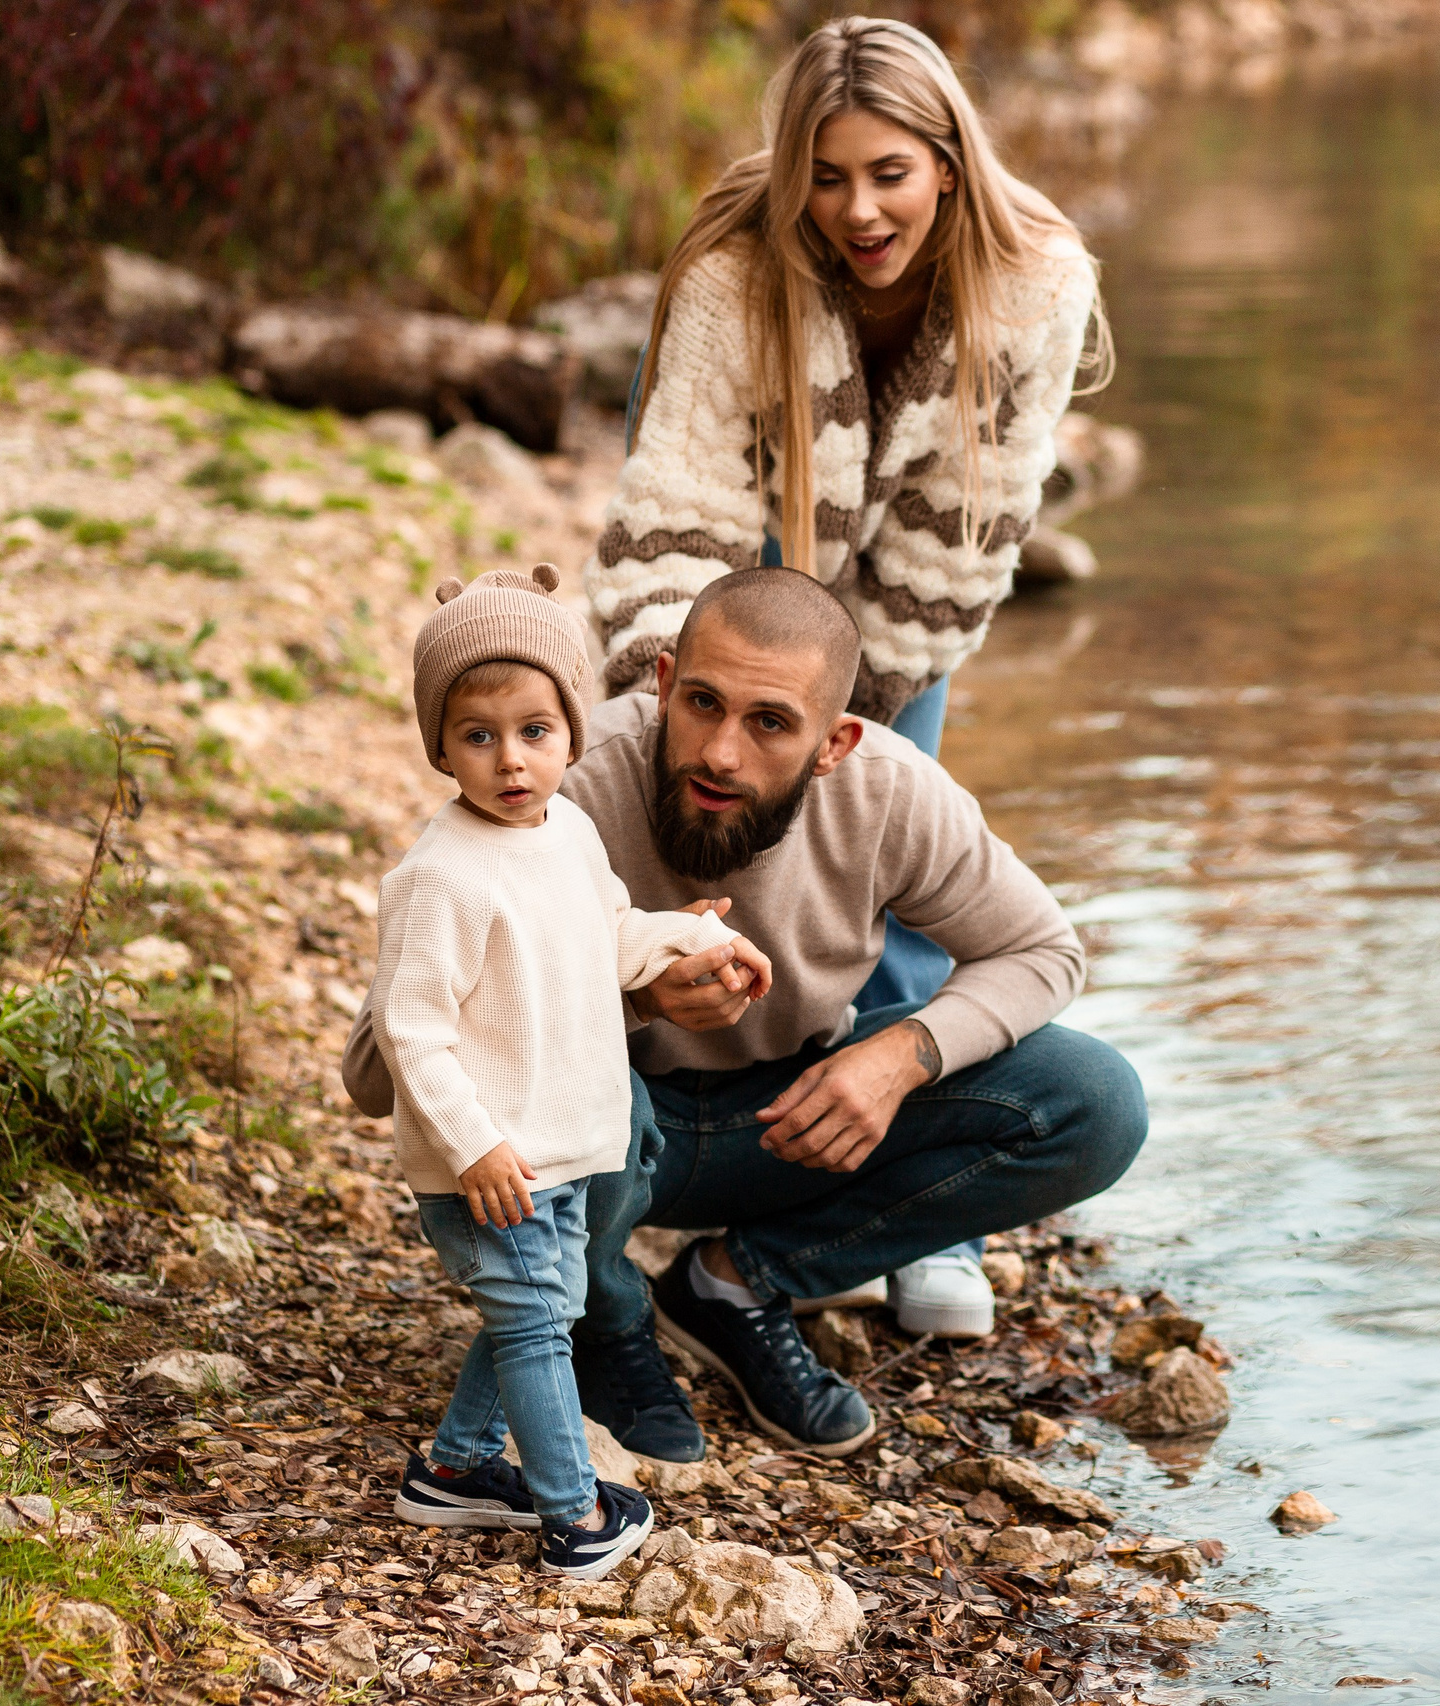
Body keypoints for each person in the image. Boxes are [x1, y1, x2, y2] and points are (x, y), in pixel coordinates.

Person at [586, 16, 1112, 1339]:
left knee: (904, 841)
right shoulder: (732, 275)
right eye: (826, 175)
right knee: (701, 787)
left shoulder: (1034, 280)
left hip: (905, 577)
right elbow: (683, 508)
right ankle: (659, 1115)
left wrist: (853, 733)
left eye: (888, 171)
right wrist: (681, 694)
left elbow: (966, 533)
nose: (857, 208)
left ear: (947, 159)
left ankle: (913, 1206)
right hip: (748, 510)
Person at [556, 568, 1148, 1462]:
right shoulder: (568, 781)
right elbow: (431, 1022)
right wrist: (630, 998)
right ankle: (607, 1319)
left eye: (769, 723)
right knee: (578, 1087)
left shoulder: (889, 791)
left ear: (833, 743)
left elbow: (1046, 952)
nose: (721, 753)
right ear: (665, 683)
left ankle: (739, 1285)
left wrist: (904, 1053)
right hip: (613, 1140)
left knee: (1094, 1100)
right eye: (704, 704)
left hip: (790, 1123)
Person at [367, 566, 768, 1578]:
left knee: (534, 1310)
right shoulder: (443, 875)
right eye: (478, 735)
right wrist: (476, 1146)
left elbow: (611, 933)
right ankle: (572, 1515)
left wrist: (688, 937)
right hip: (497, 1164)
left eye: (535, 731)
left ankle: (455, 1472)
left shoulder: (571, 831)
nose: (510, 760)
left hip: (564, 1146)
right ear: (441, 744)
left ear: (571, 733)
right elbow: (411, 1034)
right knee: (542, 1328)